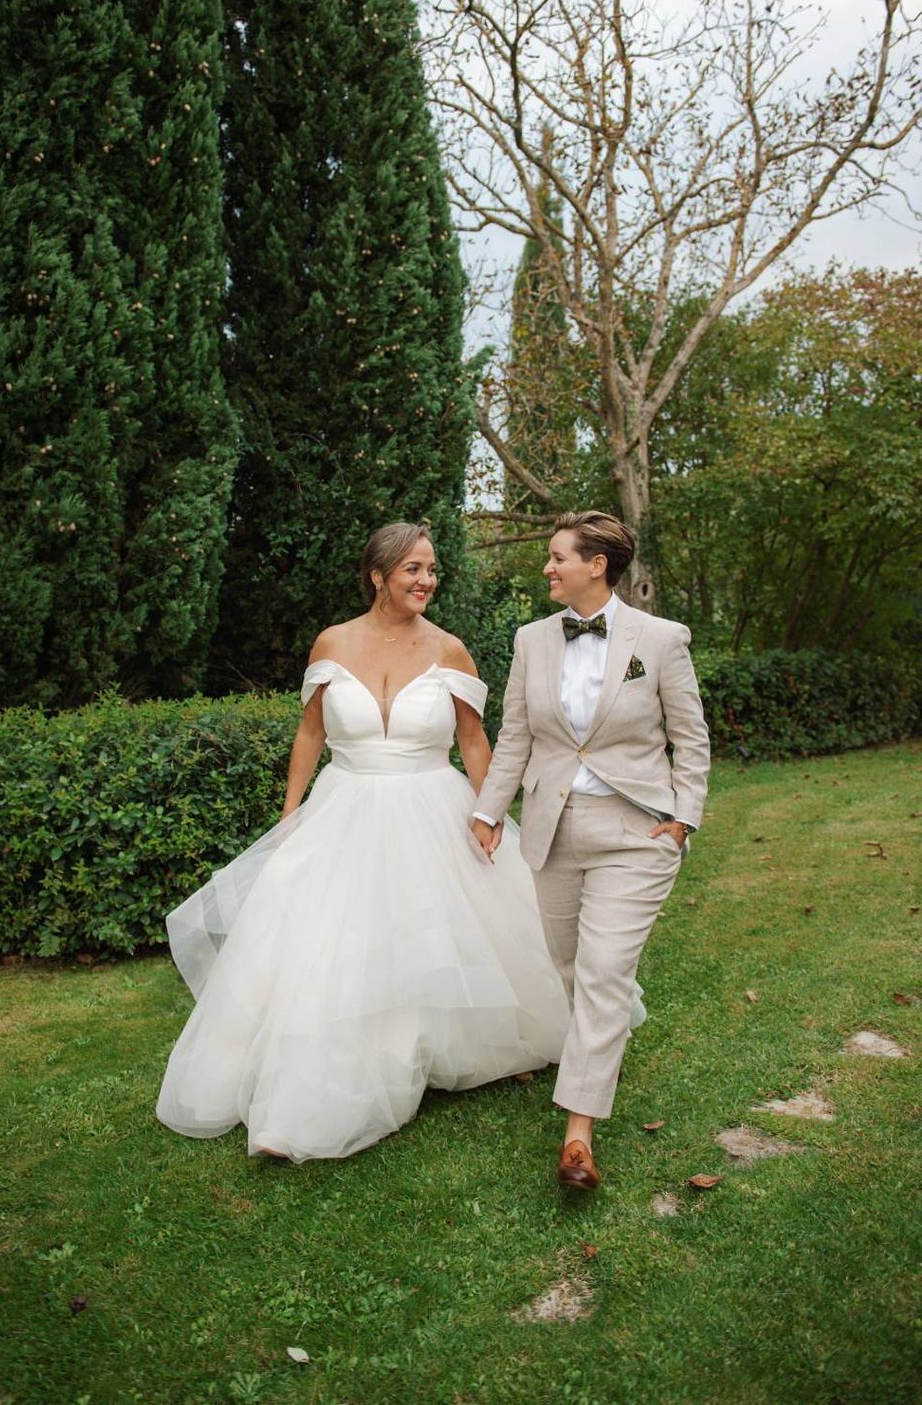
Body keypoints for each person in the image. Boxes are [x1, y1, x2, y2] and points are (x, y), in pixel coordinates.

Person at [156, 522, 569, 1161]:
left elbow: (472, 740)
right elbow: (311, 734)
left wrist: (490, 814)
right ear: (378, 575)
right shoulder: (332, 643)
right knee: (333, 939)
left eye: (431, 569)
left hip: (432, 805)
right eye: (413, 569)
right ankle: (324, 1072)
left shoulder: (451, 650)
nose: (427, 580)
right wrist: (290, 815)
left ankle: (485, 1044)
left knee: (447, 931)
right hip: (343, 807)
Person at [471, 511, 710, 1192]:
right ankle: (599, 1052)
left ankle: (578, 1136)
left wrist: (681, 819)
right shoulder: (529, 640)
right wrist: (490, 810)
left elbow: (690, 739)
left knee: (604, 972)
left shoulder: (660, 640)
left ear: (596, 565)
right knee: (570, 964)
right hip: (553, 827)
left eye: (557, 557)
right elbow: (515, 734)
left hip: (637, 831)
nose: (547, 568)